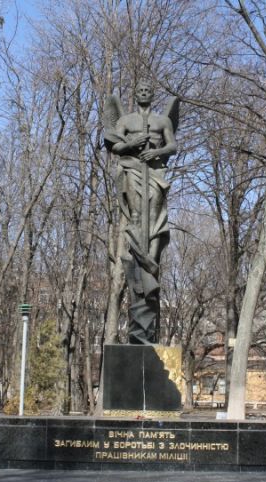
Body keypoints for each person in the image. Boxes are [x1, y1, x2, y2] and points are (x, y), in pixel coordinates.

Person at [104, 81, 178, 344]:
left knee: (156, 220)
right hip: (133, 171)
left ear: (152, 94)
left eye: (148, 90)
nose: (145, 93)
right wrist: (133, 143)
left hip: (155, 174)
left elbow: (172, 146)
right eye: (141, 90)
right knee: (136, 219)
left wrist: (155, 151)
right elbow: (114, 146)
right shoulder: (125, 120)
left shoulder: (161, 121)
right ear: (136, 93)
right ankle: (140, 264)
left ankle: (151, 264)